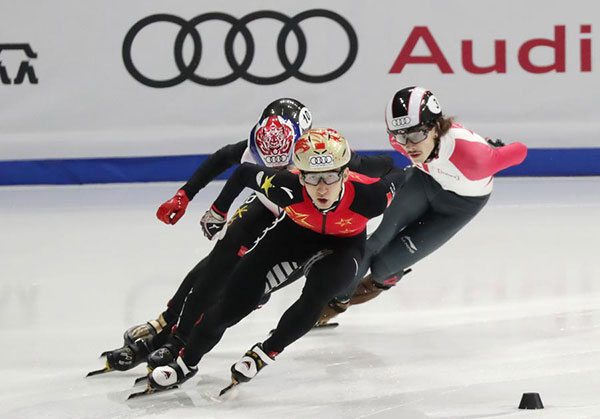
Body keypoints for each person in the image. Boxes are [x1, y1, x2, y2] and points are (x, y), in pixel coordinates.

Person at [90, 99, 395, 376]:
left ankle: (181, 333)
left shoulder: (322, 157)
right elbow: (226, 160)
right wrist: (190, 197)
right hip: (268, 203)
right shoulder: (260, 153)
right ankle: (171, 327)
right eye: (267, 162)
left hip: (301, 223)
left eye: (284, 163)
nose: (275, 168)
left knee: (250, 278)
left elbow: (377, 166)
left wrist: (398, 171)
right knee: (218, 261)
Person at [141, 128, 406, 395]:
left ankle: (265, 352)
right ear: (300, 176)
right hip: (294, 234)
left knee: (322, 289)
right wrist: (219, 211)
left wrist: (372, 163)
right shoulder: (285, 186)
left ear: (345, 174)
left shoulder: (371, 197)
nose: (322, 187)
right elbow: (244, 172)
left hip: (345, 245)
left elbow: (396, 170)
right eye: (312, 179)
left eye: (330, 176)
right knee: (234, 300)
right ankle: (185, 364)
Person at [315, 86, 528, 326]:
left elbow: (521, 151)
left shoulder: (475, 159)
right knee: (374, 241)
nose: (408, 146)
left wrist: (496, 151)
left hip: (460, 205)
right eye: (400, 136)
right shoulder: (402, 141)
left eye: (415, 135)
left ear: (436, 127)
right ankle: (333, 303)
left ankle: (387, 278)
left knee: (384, 267)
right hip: (425, 181)